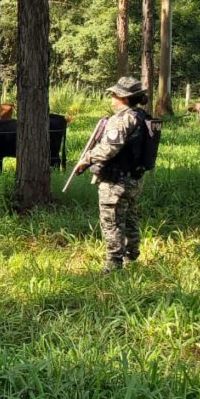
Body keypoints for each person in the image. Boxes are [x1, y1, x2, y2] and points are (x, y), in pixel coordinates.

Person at [74, 76, 150, 273]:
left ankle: (114, 265)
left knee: (112, 222)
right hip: (134, 178)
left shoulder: (121, 119)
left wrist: (87, 158)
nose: (111, 99)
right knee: (131, 217)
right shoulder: (142, 117)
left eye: (114, 95)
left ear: (123, 97)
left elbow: (108, 149)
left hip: (116, 181)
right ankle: (131, 258)